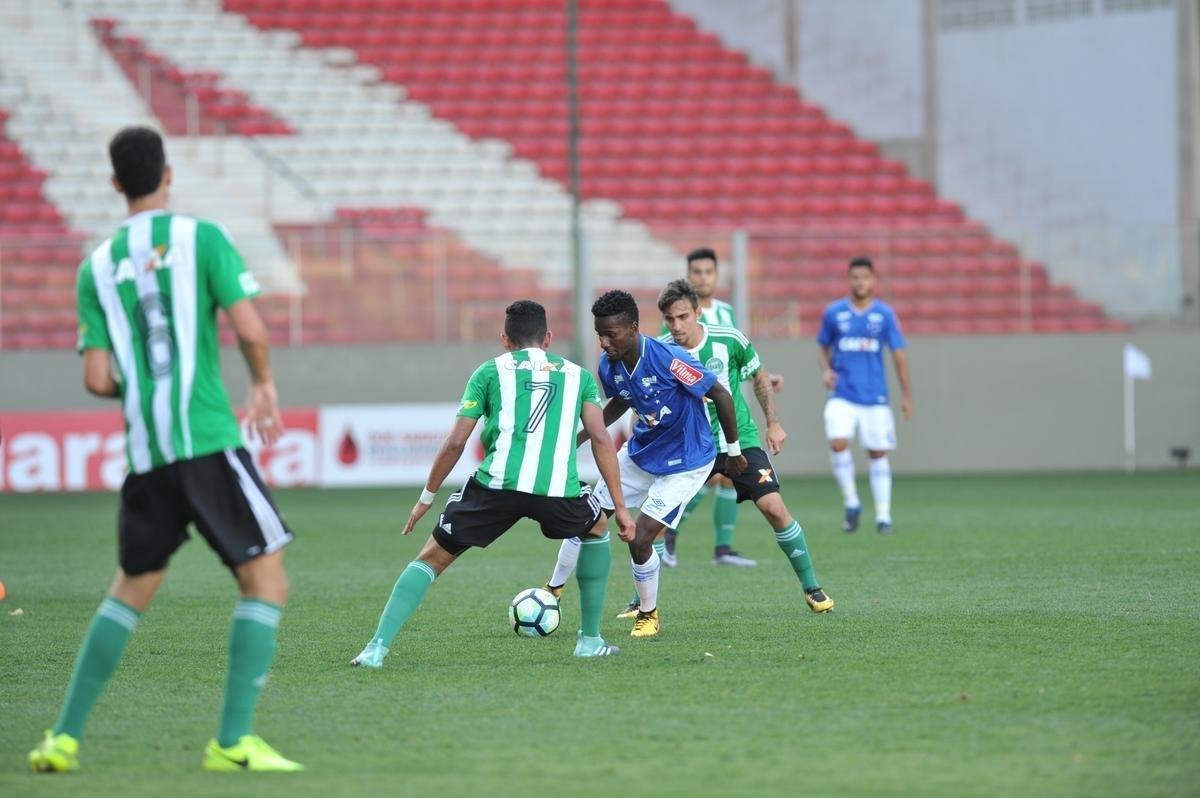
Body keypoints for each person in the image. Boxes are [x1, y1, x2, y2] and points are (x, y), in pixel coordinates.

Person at [29, 126, 301, 774]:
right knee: (266, 580)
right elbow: (251, 329)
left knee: (127, 592)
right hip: (205, 439)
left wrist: (146, 387)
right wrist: (262, 384)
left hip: (148, 452)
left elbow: (97, 378)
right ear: (168, 175)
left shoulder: (95, 267)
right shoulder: (201, 238)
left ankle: (63, 738)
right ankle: (232, 742)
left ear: (115, 183)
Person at [350, 300, 635, 666]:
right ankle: (590, 640)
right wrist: (621, 507)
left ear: (505, 339)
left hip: (496, 487)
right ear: (548, 338)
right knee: (596, 527)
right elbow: (600, 438)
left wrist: (426, 497)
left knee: (431, 558)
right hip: (556, 490)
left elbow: (456, 442)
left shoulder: (488, 371)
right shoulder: (578, 376)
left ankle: (376, 648)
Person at [544, 290, 745, 638]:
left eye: (611, 335)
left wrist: (734, 450)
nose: (604, 343)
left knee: (639, 538)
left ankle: (648, 614)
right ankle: (553, 590)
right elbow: (622, 400)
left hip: (687, 460)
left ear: (633, 328)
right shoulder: (609, 364)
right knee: (587, 518)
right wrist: (581, 436)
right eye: (600, 335)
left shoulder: (670, 359)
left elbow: (721, 395)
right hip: (642, 452)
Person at [817, 256, 912, 534]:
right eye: (855, 277)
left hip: (875, 395)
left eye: (865, 277)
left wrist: (906, 395)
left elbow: (899, 355)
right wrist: (826, 369)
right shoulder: (834, 312)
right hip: (842, 393)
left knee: (877, 452)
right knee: (837, 442)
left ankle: (883, 515)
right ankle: (852, 502)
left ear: (873, 280)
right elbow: (822, 346)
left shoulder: (884, 314)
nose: (860, 282)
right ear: (849, 280)